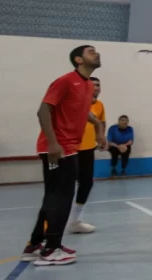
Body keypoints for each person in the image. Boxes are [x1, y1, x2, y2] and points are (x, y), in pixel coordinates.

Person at [22, 45, 106, 267]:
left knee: (54, 196)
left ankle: (35, 245)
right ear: (78, 59)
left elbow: (81, 110)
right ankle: (51, 249)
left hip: (70, 147)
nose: (96, 54)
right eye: (90, 52)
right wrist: (52, 143)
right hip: (58, 148)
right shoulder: (66, 80)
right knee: (60, 197)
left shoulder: (87, 85)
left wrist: (97, 125)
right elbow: (43, 110)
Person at [67, 78, 104, 234]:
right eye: (92, 84)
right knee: (62, 186)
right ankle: (49, 226)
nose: (96, 87)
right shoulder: (75, 103)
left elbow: (100, 122)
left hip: (88, 149)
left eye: (98, 85)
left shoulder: (99, 105)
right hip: (69, 149)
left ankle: (75, 220)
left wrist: (101, 138)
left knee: (86, 183)